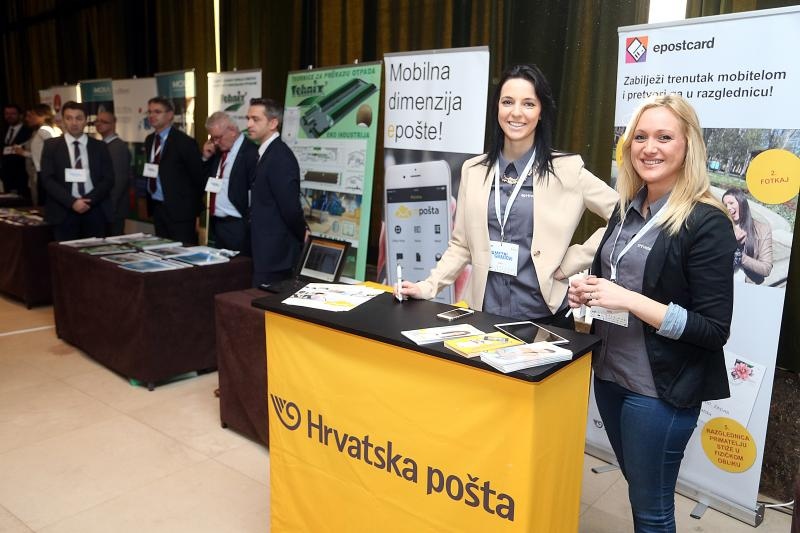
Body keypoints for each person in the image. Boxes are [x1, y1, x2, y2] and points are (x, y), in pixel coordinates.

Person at [568, 94, 737, 532]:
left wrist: (628, 299)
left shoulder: (707, 221)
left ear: (688, 145)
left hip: (658, 393)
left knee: (652, 512)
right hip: (610, 377)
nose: (649, 148)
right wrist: (588, 291)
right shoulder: (626, 207)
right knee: (641, 490)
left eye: (664, 137)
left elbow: (713, 329)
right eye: (640, 137)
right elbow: (616, 276)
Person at [399, 64, 618, 329]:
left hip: (545, 319)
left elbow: (623, 214)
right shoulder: (473, 171)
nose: (516, 112)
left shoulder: (566, 170)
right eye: (507, 102)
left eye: (528, 104)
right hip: (485, 316)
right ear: (497, 108)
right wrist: (428, 286)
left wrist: (573, 260)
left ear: (541, 112)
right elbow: (461, 245)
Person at [246, 98, 307, 286]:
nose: (249, 125)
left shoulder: (280, 157)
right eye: (248, 119)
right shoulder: (265, 153)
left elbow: (290, 208)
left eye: (256, 119)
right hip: (265, 249)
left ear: (273, 123)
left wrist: (302, 233)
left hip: (276, 254)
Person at [40, 101, 113, 241]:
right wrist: (72, 202)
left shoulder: (100, 146)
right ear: (63, 120)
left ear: (86, 120)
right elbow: (47, 179)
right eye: (69, 118)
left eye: (79, 118)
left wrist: (88, 201)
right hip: (63, 210)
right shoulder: (51, 146)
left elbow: (108, 179)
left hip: (94, 210)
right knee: (65, 253)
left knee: (94, 252)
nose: (74, 123)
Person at [144, 96, 205, 244]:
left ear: (170, 115)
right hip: (157, 207)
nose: (152, 115)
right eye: (150, 112)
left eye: (157, 112)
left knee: (183, 252)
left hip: (180, 212)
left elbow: (198, 178)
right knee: (162, 251)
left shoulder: (184, 142)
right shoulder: (150, 140)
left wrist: (194, 211)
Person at [201, 111, 258, 253]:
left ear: (232, 131)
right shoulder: (219, 151)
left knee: (239, 265)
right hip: (217, 223)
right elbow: (204, 181)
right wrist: (205, 158)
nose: (215, 142)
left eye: (218, 137)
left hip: (238, 224)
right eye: (212, 138)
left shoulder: (251, 153)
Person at [722, 187, 773, 284]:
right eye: (725, 205)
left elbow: (766, 268)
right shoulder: (721, 227)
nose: (728, 207)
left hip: (748, 285)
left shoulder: (762, 230)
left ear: (742, 203)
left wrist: (740, 256)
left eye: (731, 203)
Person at [94, 111, 132, 236]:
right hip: (104, 207)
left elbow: (119, 181)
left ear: (113, 124)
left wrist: (110, 207)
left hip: (113, 209)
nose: (99, 124)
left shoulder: (117, 147)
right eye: (97, 121)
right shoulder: (103, 145)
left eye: (104, 122)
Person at [15, 104, 62, 205]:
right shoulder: (47, 129)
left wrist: (23, 153)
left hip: (45, 171)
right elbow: (40, 152)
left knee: (44, 202)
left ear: (43, 115)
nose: (30, 118)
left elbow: (54, 148)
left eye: (33, 115)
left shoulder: (43, 130)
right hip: (43, 170)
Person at [2, 103, 32, 198]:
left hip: (22, 174)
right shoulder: (3, 130)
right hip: (6, 175)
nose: (9, 116)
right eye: (7, 114)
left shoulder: (29, 130)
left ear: (20, 115)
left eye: (13, 113)